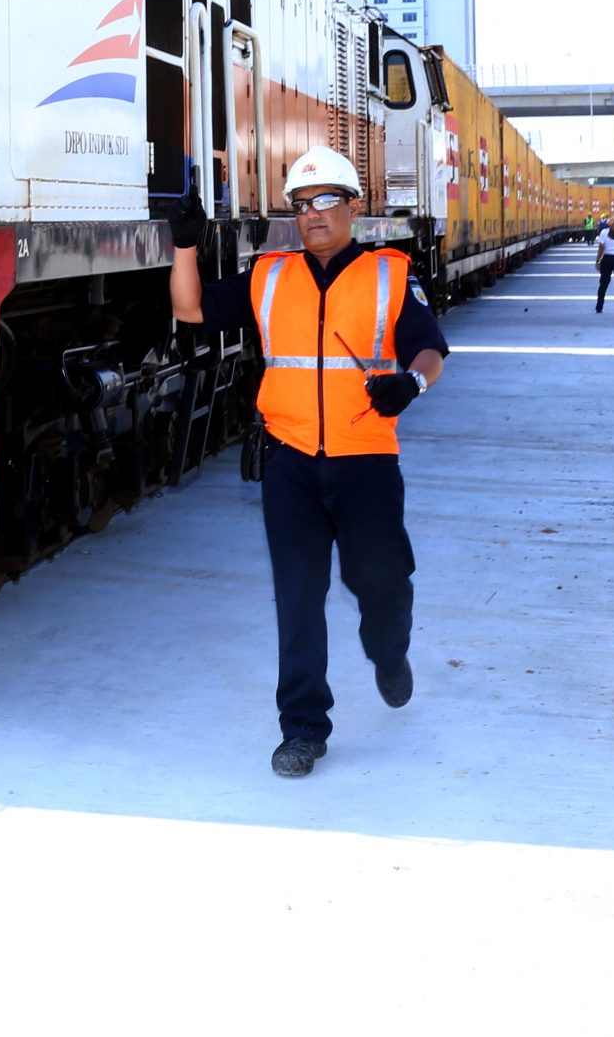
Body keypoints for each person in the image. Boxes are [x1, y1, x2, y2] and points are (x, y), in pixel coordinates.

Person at [168, 145, 449, 781]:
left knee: (380, 584)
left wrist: (411, 384)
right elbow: (190, 309)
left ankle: (389, 652)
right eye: (301, 204)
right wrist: (184, 244)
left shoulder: (389, 274)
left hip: (366, 461)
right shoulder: (269, 276)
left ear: (353, 206)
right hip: (290, 461)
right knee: (298, 598)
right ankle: (302, 729)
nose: (313, 213)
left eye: (326, 200)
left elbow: (430, 349)